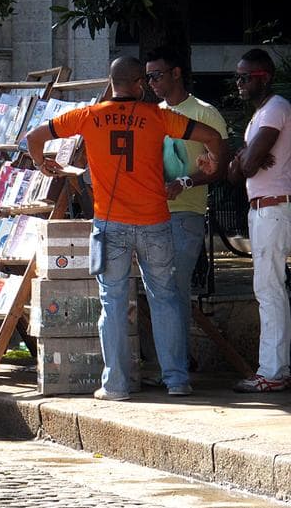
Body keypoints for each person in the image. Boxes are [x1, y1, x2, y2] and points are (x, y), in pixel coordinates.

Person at [25, 56, 226, 401]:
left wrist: (41, 162)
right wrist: (213, 158)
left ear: (112, 81)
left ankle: (115, 385)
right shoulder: (158, 116)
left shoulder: (88, 116)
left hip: (110, 224)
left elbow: (35, 135)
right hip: (155, 222)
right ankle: (177, 380)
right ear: (138, 84)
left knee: (112, 302)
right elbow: (212, 136)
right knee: (165, 299)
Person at [144, 47, 229, 380]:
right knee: (162, 290)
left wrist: (187, 180)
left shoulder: (205, 113)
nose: (151, 82)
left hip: (186, 214)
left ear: (176, 73)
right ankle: (175, 364)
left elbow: (221, 167)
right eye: (147, 76)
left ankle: (176, 370)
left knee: (173, 288)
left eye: (157, 75)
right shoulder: (153, 113)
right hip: (152, 215)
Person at [227, 48, 291, 393]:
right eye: (237, 77)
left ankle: (272, 372)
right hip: (265, 207)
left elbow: (246, 167)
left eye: (244, 77)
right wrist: (245, 156)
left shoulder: (276, 109)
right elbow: (235, 172)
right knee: (271, 289)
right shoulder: (260, 115)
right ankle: (277, 368)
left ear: (263, 77)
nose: (238, 83)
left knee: (269, 289)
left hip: (274, 207)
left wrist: (246, 157)